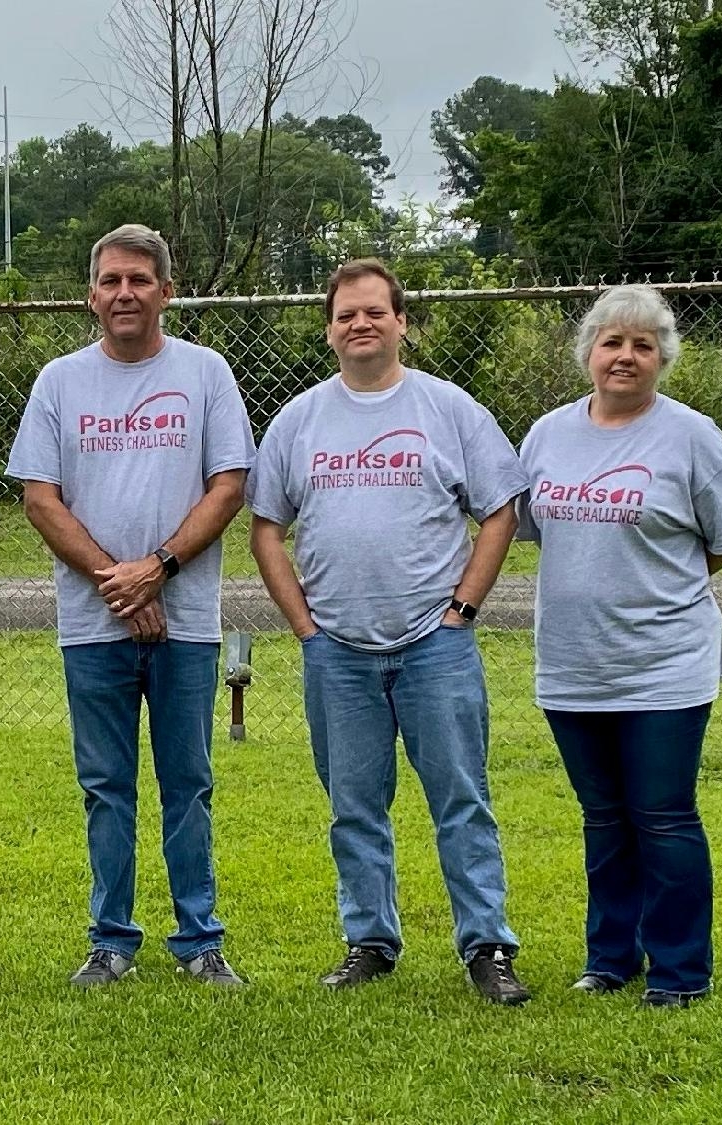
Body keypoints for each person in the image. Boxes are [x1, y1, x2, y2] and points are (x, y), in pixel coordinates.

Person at [248, 258, 532, 1005]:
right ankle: (370, 939)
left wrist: (463, 607)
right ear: (329, 330)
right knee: (353, 805)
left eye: (376, 311)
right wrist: (305, 627)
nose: (361, 323)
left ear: (402, 322)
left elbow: (500, 508)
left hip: (433, 646)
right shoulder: (299, 420)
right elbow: (266, 529)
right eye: (346, 314)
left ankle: (488, 946)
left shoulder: (449, 410)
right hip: (337, 650)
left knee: (461, 798)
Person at [7, 224, 255, 988]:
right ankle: (110, 939)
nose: (125, 293)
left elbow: (229, 485)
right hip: (93, 625)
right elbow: (39, 498)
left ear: (166, 291)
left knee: (190, 781)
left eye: (140, 279)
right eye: (111, 280)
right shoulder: (59, 382)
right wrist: (119, 582)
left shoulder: (206, 373)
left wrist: (160, 568)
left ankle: (199, 939)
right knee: (106, 784)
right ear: (91, 295)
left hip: (187, 623)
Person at [517, 285, 722, 1009]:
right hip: (572, 661)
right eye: (612, 342)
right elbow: (537, 530)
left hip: (664, 666)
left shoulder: (692, 438)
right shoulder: (547, 435)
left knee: (663, 813)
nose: (625, 356)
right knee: (604, 815)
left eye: (643, 345)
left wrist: (659, 588)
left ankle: (681, 970)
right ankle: (609, 956)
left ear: (663, 358)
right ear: (589, 351)